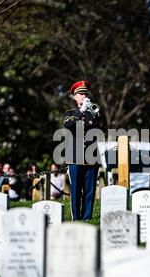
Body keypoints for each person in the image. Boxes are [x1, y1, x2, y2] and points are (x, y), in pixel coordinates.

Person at [63, 80, 100, 221]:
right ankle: (76, 218)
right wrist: (81, 111)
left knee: (89, 191)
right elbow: (68, 124)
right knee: (76, 190)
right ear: (75, 97)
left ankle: (87, 218)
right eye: (81, 94)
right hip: (74, 157)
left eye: (85, 93)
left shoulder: (94, 112)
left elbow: (97, 128)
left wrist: (89, 112)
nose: (84, 95)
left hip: (91, 156)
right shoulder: (70, 113)